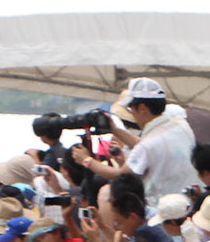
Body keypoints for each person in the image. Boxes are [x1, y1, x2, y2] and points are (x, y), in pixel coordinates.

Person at [70, 78, 198, 200]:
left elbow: (120, 175)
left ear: (142, 108)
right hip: (188, 198)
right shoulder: (180, 125)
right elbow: (148, 146)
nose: (132, 115)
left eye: (131, 109)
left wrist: (86, 160)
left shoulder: (148, 145)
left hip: (161, 207)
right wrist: (115, 129)